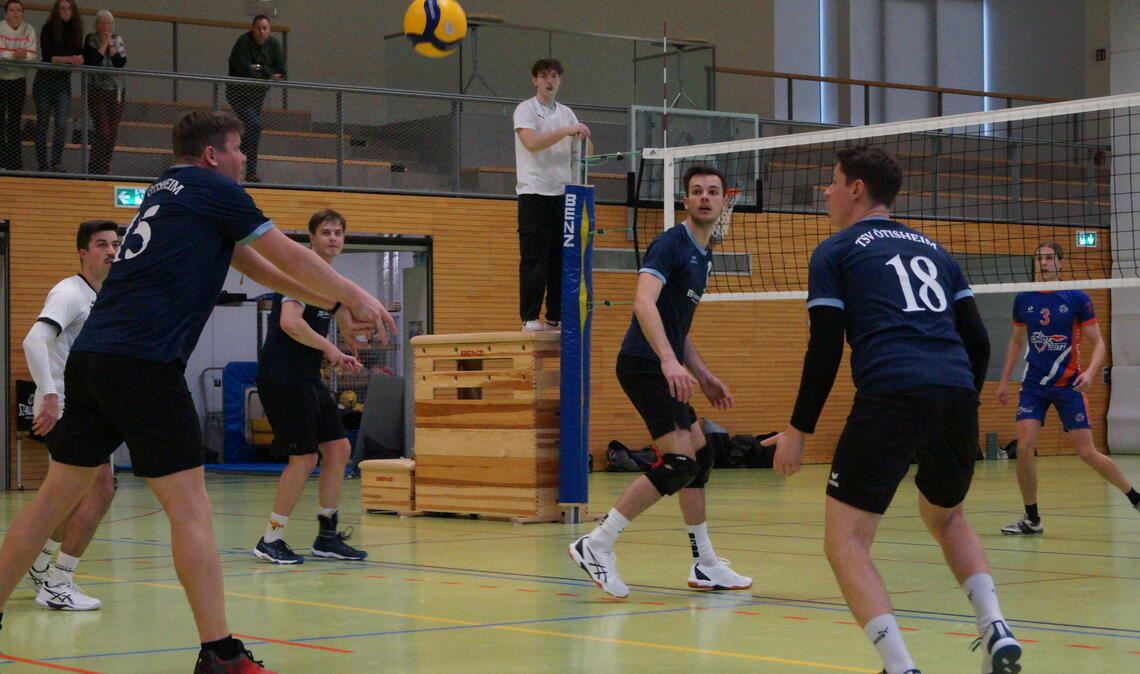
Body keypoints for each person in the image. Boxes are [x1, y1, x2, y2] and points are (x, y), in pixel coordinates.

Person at [0, 109, 396, 674]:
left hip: (95, 361)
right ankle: (220, 654)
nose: (243, 161)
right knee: (190, 511)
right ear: (213, 155)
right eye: (237, 150)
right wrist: (358, 294)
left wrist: (332, 304)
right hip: (144, 364)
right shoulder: (212, 187)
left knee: (51, 501)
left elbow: (255, 265)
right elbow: (287, 252)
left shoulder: (169, 190)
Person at [761, 146, 1021, 674]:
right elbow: (977, 340)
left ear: (857, 189)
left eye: (832, 182)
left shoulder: (835, 252)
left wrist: (797, 429)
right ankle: (994, 624)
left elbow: (826, 348)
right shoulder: (937, 251)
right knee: (947, 516)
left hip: (891, 392)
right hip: (953, 391)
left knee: (846, 543)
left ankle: (900, 667)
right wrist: (959, 401)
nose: (826, 192)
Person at [568, 164, 751, 599]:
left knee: (701, 458)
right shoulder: (669, 244)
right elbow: (643, 304)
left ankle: (705, 563)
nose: (705, 197)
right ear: (685, 200)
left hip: (662, 363)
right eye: (696, 191)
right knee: (680, 464)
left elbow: (677, 326)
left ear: (726, 199)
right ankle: (596, 543)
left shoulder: (704, 255)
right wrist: (669, 361)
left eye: (713, 191)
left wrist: (702, 374)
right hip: (643, 364)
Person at [995, 241, 1140, 535]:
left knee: (1086, 452)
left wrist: (1089, 373)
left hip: (1069, 384)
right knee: (1024, 447)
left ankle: (1135, 498)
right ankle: (1032, 519)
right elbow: (1016, 340)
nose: (1044, 264)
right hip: (1033, 385)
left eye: (1049, 259)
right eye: (1039, 259)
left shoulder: (1077, 298)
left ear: (1061, 264)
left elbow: (1098, 343)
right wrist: (1003, 380)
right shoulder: (1025, 299)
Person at [253, 209, 369, 565]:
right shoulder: (299, 274)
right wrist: (331, 348)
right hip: (282, 377)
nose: (333, 238)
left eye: (338, 233)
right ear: (312, 240)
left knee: (338, 449)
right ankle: (270, 539)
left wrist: (349, 333)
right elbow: (291, 324)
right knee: (303, 457)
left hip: (307, 377)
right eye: (326, 232)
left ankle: (327, 536)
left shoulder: (331, 281)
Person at [22, 220, 119, 612]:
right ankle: (58, 582)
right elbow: (35, 339)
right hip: (65, 409)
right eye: (101, 245)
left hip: (91, 410)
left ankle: (40, 561)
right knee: (100, 489)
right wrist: (48, 393)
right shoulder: (69, 292)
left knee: (68, 497)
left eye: (115, 244)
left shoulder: (107, 296)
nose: (111, 251)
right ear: (83, 252)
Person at [513, 58, 590, 332]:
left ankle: (554, 315)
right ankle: (530, 317)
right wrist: (568, 130)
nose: (549, 80)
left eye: (555, 76)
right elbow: (532, 143)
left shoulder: (567, 113)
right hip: (534, 193)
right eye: (544, 76)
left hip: (563, 195)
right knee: (535, 257)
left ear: (560, 80)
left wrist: (583, 137)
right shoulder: (526, 110)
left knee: (561, 257)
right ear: (535, 80)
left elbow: (584, 155)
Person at [225, 14, 284, 183]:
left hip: (258, 96)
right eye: (258, 28)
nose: (261, 32)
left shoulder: (274, 45)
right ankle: (238, 159)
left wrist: (258, 68)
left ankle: (247, 169)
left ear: (269, 30)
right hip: (238, 93)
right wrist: (266, 72)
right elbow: (243, 69)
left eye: (265, 29)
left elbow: (280, 71)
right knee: (255, 125)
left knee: (252, 131)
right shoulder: (243, 42)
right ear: (252, 29)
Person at [34, 0, 83, 172]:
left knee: (61, 124)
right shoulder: (48, 28)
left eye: (69, 8)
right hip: (44, 81)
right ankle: (42, 164)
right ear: (57, 10)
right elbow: (49, 57)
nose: (65, 11)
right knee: (42, 123)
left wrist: (74, 59)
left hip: (63, 82)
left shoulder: (76, 31)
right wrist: (69, 59)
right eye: (62, 8)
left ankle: (56, 162)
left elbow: (79, 55)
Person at [83, 9, 125, 174]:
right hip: (97, 89)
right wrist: (104, 44)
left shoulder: (118, 39)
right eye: (103, 23)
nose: (106, 26)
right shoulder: (91, 39)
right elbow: (93, 60)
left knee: (112, 131)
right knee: (103, 129)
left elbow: (120, 62)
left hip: (116, 90)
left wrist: (111, 45)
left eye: (109, 23)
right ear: (97, 25)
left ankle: (105, 167)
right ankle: (94, 168)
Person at [0, 0, 37, 170]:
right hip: (1, 79)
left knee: (14, 122)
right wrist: (17, 55)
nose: (15, 13)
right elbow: (1, 54)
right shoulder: (0, 28)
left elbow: (30, 55)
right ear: (6, 13)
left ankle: (14, 164)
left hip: (19, 80)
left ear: (22, 13)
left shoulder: (28, 29)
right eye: (12, 10)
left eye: (19, 10)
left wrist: (12, 56)